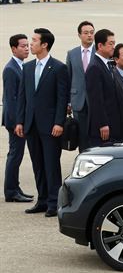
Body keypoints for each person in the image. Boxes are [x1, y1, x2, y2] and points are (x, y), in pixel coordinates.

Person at [15, 28, 70, 217]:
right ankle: (43, 200)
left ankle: (54, 202)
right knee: (38, 164)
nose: (31, 43)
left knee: (51, 164)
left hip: (50, 126)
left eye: (34, 40)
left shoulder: (58, 67)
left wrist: (59, 123)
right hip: (30, 125)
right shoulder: (27, 67)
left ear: (44, 44)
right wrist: (20, 121)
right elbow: (23, 97)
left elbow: (62, 99)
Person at [3, 34, 33, 203]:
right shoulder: (10, 69)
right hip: (14, 121)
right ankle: (11, 191)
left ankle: (15, 187)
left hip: (20, 120)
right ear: (14, 49)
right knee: (15, 155)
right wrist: (17, 123)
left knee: (17, 154)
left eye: (28, 45)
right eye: (22, 46)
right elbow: (11, 99)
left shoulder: (22, 66)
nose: (27, 48)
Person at [66, 21, 95, 152]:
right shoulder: (72, 53)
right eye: (86, 33)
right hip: (78, 100)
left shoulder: (100, 52)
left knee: (95, 134)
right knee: (82, 136)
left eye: (92, 32)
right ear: (79, 35)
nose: (89, 35)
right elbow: (68, 77)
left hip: (95, 100)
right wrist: (68, 101)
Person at [85, 29, 116, 146]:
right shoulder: (95, 67)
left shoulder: (108, 64)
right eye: (110, 44)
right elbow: (96, 99)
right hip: (101, 127)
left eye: (114, 43)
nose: (114, 47)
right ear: (100, 45)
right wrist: (102, 123)